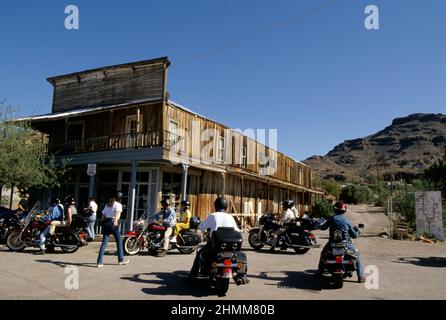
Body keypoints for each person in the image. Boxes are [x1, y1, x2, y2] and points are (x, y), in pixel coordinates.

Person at [185, 197, 240, 282]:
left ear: (216, 206)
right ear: (226, 207)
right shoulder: (230, 217)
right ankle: (237, 274)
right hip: (230, 244)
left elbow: (201, 227)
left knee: (200, 253)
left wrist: (200, 226)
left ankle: (191, 277)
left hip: (216, 244)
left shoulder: (213, 216)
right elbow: (237, 230)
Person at [315, 201, 365, 283]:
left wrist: (319, 225)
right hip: (345, 244)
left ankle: (320, 272)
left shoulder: (331, 218)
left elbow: (323, 227)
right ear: (344, 210)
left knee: (323, 254)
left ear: (335, 209)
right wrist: (357, 233)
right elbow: (354, 236)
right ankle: (361, 276)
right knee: (357, 255)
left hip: (332, 244)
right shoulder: (347, 221)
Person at [96, 192, 130, 267]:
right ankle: (121, 260)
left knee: (104, 243)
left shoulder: (107, 204)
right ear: (120, 198)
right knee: (119, 241)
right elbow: (117, 213)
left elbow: (103, 215)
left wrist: (102, 222)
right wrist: (116, 221)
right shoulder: (118, 205)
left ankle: (99, 262)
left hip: (106, 223)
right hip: (113, 222)